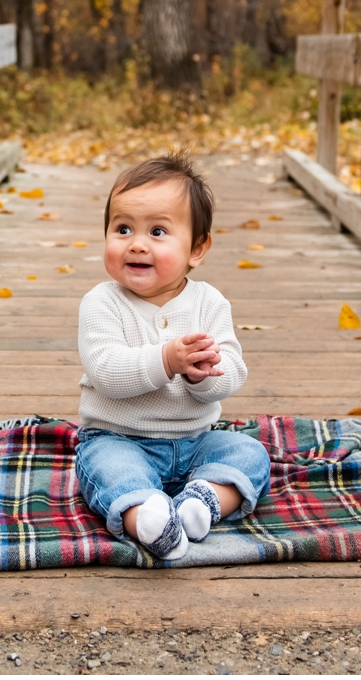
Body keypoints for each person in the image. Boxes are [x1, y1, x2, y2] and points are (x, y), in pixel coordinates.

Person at [73, 153, 272, 561]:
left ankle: (202, 502)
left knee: (249, 454)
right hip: (119, 437)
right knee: (107, 471)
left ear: (196, 249)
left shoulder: (209, 303)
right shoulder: (101, 303)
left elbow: (232, 368)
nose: (137, 243)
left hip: (196, 440)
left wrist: (204, 377)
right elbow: (106, 371)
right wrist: (165, 360)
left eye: (158, 231)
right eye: (122, 229)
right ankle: (149, 520)